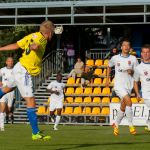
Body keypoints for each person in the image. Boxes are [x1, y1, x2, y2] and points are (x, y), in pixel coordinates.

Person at [0, 20, 55, 140]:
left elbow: (16, 45)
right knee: (30, 101)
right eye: (52, 33)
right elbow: (37, 45)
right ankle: (35, 133)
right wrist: (33, 46)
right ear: (49, 33)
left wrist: (0, 48)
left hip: (18, 67)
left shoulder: (31, 35)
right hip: (24, 72)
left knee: (5, 89)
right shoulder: (42, 39)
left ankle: (35, 132)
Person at [106, 39, 138, 136]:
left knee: (123, 107)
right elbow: (108, 65)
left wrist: (131, 72)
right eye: (124, 45)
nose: (126, 47)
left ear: (130, 47)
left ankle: (116, 125)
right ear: (121, 47)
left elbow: (137, 73)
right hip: (119, 85)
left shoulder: (133, 59)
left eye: (128, 45)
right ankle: (131, 126)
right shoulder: (115, 58)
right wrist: (107, 79)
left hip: (129, 85)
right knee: (129, 101)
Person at [134, 44, 150, 132]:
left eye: (147, 52)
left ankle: (148, 123)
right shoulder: (138, 68)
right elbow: (135, 82)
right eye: (144, 52)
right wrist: (137, 93)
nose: (145, 54)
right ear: (141, 54)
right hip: (146, 93)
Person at [0, 57, 15, 131]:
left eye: (12, 61)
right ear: (6, 62)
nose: (10, 62)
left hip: (11, 92)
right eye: (9, 61)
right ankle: (2, 126)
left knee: (8, 109)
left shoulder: (16, 70)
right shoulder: (2, 70)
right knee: (2, 108)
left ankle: (7, 113)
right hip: (3, 90)